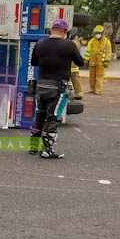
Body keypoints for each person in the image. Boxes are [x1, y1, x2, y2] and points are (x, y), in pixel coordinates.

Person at [29, 19, 85, 159]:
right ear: (65, 32)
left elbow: (34, 62)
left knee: (40, 115)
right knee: (52, 117)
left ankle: (33, 147)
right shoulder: (69, 45)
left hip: (41, 85)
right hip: (58, 88)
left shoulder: (40, 43)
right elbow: (80, 62)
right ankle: (47, 150)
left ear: (52, 30)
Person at [85, 25, 113, 95]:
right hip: (92, 61)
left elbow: (108, 52)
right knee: (92, 76)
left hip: (101, 62)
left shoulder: (106, 42)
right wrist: (86, 60)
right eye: (96, 32)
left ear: (102, 33)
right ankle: (92, 89)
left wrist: (106, 61)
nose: (97, 34)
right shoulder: (91, 41)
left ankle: (98, 90)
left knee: (99, 76)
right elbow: (88, 51)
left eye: (99, 33)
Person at [68, 28, 84, 100]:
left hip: (72, 65)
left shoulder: (74, 43)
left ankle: (78, 93)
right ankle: (78, 93)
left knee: (74, 79)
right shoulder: (76, 42)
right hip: (73, 65)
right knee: (74, 79)